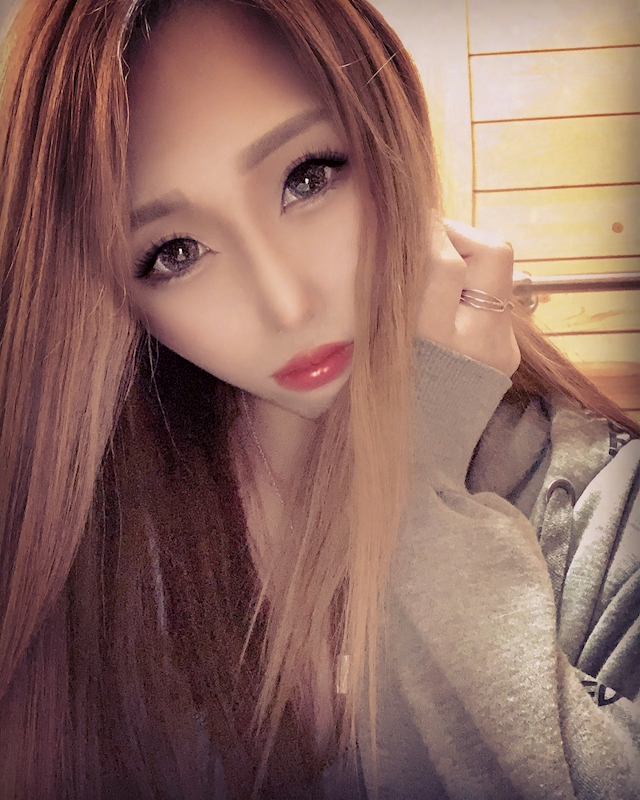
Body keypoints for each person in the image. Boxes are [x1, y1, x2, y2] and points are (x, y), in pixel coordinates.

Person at [0, 0, 638, 797]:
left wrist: (413, 491)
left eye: (307, 178)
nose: (286, 304)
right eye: (175, 251)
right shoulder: (90, 565)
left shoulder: (600, 511)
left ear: (387, 135)